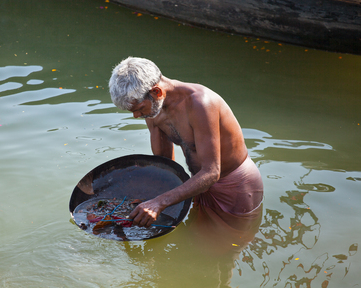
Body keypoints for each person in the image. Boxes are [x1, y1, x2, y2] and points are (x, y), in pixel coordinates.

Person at [108, 56, 263, 228]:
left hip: (234, 186)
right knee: (194, 238)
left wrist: (160, 202)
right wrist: (147, 197)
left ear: (156, 92)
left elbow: (212, 172)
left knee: (226, 247)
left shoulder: (200, 103)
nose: (136, 116)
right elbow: (165, 165)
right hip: (198, 184)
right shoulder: (152, 109)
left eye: (138, 109)